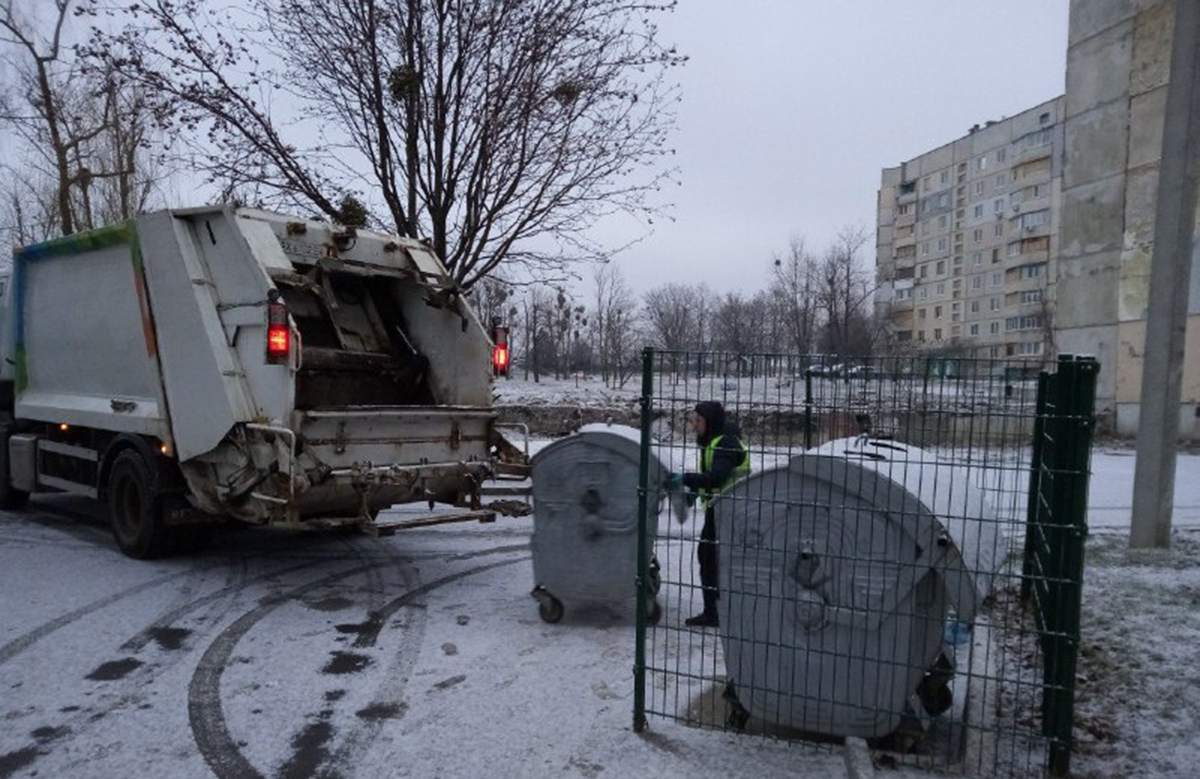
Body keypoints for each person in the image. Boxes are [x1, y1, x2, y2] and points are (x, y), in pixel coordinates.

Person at [665, 401, 749, 627]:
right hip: (720, 507)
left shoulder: (726, 443)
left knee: (711, 559)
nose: (694, 426)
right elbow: (712, 479)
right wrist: (694, 492)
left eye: (697, 421)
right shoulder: (714, 441)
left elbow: (717, 477)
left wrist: (686, 479)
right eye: (692, 420)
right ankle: (715, 610)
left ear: (709, 421)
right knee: (709, 558)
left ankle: (715, 613)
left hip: (730, 510)